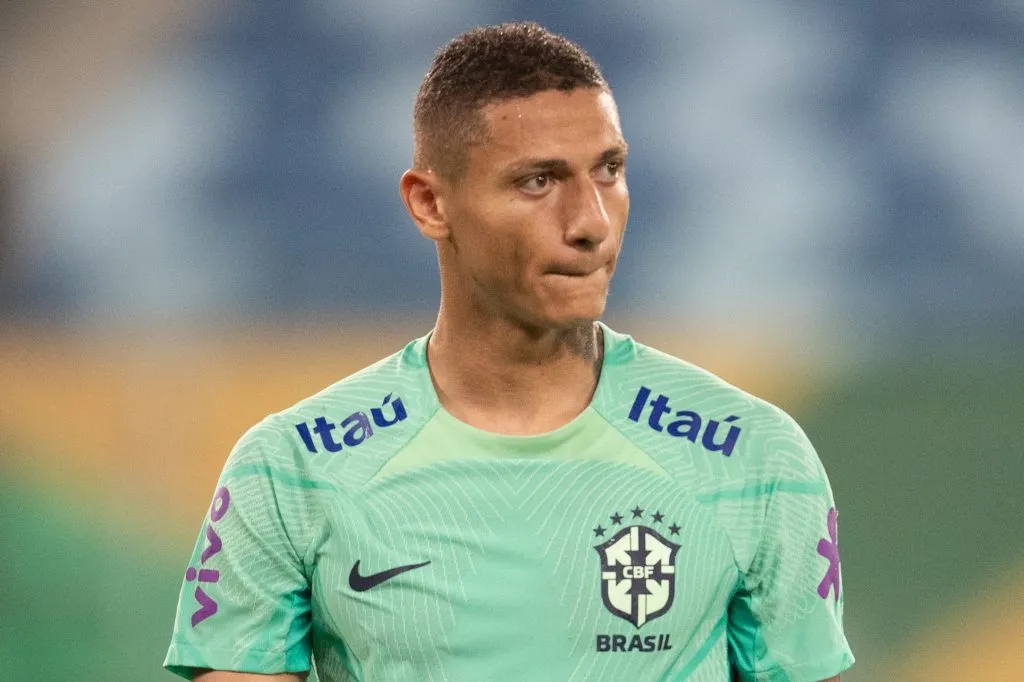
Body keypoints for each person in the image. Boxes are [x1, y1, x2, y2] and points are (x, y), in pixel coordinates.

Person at [164, 21, 854, 682]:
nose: (590, 223)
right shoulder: (292, 469)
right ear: (430, 203)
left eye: (609, 170)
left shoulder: (753, 456)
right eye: (538, 181)